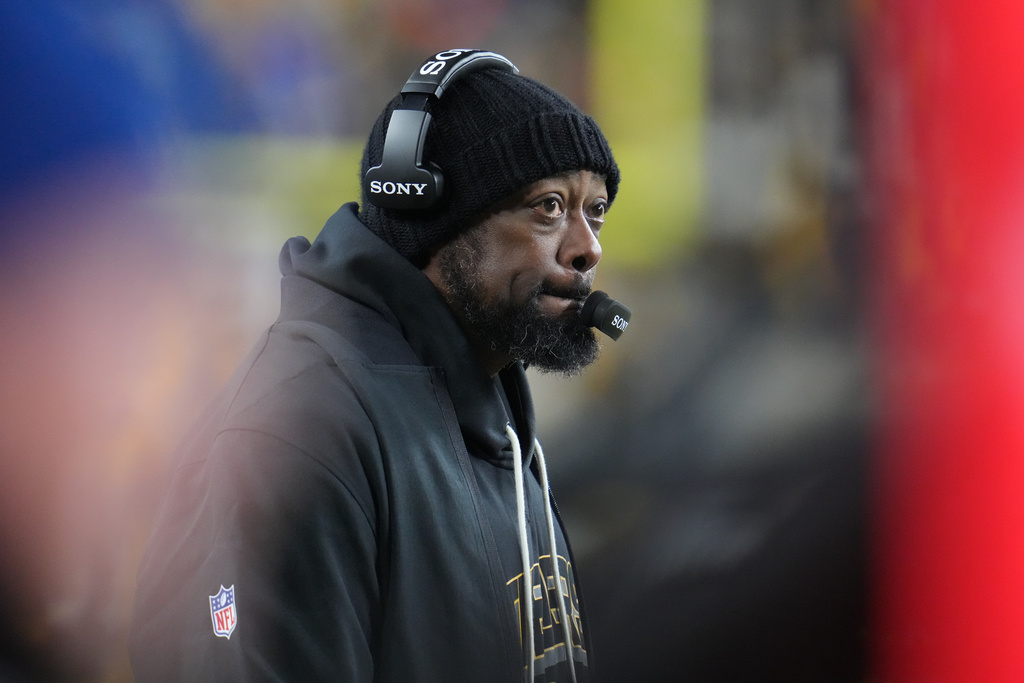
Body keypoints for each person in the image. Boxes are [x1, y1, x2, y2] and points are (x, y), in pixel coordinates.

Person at [128, 49, 620, 682]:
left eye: (596, 210)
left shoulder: (492, 412)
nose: (589, 248)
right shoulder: (302, 430)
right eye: (549, 207)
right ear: (432, 218)